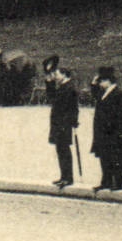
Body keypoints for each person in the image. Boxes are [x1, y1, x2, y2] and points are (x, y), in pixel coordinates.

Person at [90, 66, 122, 192]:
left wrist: (118, 130)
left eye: (101, 81)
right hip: (102, 132)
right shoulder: (103, 92)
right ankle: (106, 182)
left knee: (115, 158)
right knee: (104, 157)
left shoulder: (119, 94)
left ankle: (119, 182)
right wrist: (94, 83)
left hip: (113, 132)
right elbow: (94, 93)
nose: (100, 83)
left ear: (109, 81)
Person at [44, 59, 79, 188]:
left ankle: (68, 178)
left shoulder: (69, 88)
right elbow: (51, 97)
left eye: (57, 74)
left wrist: (72, 122)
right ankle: (63, 176)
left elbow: (74, 108)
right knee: (60, 150)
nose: (56, 76)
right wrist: (49, 81)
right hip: (59, 124)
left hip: (64, 125)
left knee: (64, 151)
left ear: (64, 75)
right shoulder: (62, 87)